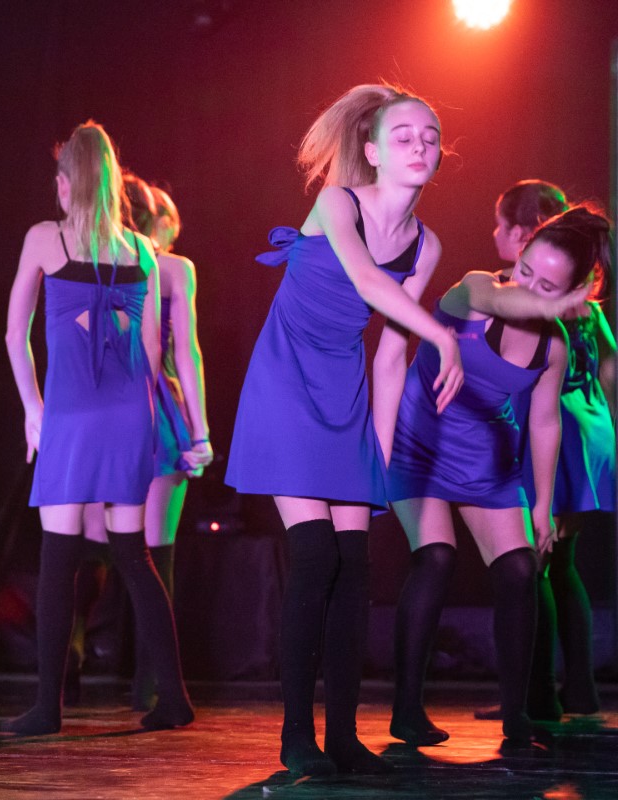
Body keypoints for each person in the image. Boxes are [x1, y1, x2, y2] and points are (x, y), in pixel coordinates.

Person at [225, 84, 465, 776]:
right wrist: (443, 337)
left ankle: (344, 737)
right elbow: (364, 280)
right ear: (372, 150)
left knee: (355, 566)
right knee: (316, 556)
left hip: (347, 392)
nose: (420, 146)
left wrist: (378, 454)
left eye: (430, 137)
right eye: (403, 136)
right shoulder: (337, 203)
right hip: (286, 382)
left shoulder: (425, 242)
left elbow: (389, 355)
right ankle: (296, 735)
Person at [387, 205, 608, 749]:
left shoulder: (554, 345)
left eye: (548, 286)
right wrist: (548, 301)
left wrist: (543, 506)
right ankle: (406, 709)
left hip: (486, 460)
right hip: (420, 445)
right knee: (436, 557)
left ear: (571, 291)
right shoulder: (474, 289)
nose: (528, 286)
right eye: (526, 269)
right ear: (521, 251)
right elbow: (503, 299)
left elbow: (545, 422)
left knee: (520, 568)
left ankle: (518, 715)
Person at [3, 121, 194, 736]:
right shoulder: (142, 251)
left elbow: (14, 333)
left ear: (66, 183)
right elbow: (150, 348)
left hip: (72, 413)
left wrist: (32, 407)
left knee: (59, 558)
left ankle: (47, 707)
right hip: (129, 415)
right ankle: (173, 698)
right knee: (133, 555)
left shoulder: (46, 237)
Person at [71, 176, 212, 711]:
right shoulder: (173, 268)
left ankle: (69, 666)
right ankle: (152, 688)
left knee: (93, 546)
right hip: (153, 411)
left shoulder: (89, 262)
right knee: (154, 551)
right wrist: (200, 429)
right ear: (156, 220)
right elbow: (187, 352)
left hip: (101, 408)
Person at [489, 181, 614, 720]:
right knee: (561, 565)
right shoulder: (585, 302)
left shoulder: (524, 298)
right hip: (592, 434)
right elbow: (611, 363)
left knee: (534, 563)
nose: (496, 235)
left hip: (557, 435)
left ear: (524, 232)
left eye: (501, 225)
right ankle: (577, 689)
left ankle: (534, 695)